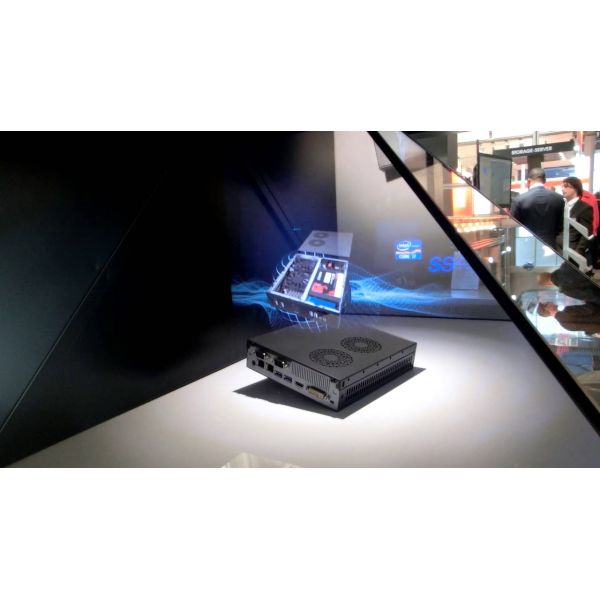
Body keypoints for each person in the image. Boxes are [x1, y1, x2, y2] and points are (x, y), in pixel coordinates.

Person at [511, 167, 564, 249]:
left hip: (526, 245)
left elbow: (513, 226)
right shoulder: (558, 199)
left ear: (529, 181)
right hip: (550, 245)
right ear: (544, 181)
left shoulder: (519, 200)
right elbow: (560, 226)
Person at [556, 176, 593, 262]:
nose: (562, 189)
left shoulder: (584, 208)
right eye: (562, 186)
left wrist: (578, 253)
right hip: (556, 250)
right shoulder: (560, 206)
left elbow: (586, 233)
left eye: (566, 186)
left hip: (572, 252)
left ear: (575, 188)